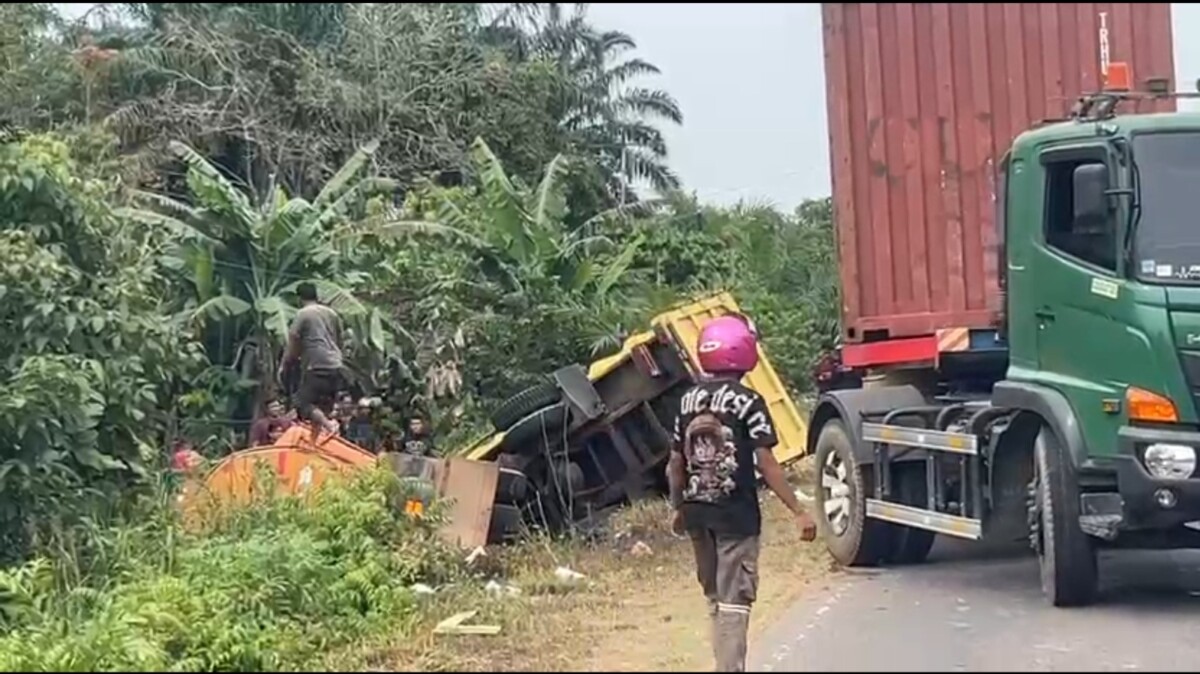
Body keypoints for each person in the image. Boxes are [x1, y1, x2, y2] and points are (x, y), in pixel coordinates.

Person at [666, 314, 818, 673]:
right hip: (735, 514)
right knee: (735, 599)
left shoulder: (687, 401)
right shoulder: (748, 400)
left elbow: (674, 462)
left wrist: (677, 506)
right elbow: (766, 462)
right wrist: (798, 510)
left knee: (716, 598)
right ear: (743, 351)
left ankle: (724, 663)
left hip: (696, 513)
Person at [282, 281, 345, 440]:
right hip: (336, 365)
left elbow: (294, 340)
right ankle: (314, 444)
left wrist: (287, 362)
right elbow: (339, 339)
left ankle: (330, 425)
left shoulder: (303, 313)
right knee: (320, 408)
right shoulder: (332, 314)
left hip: (317, 365)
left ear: (299, 298)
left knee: (301, 404)